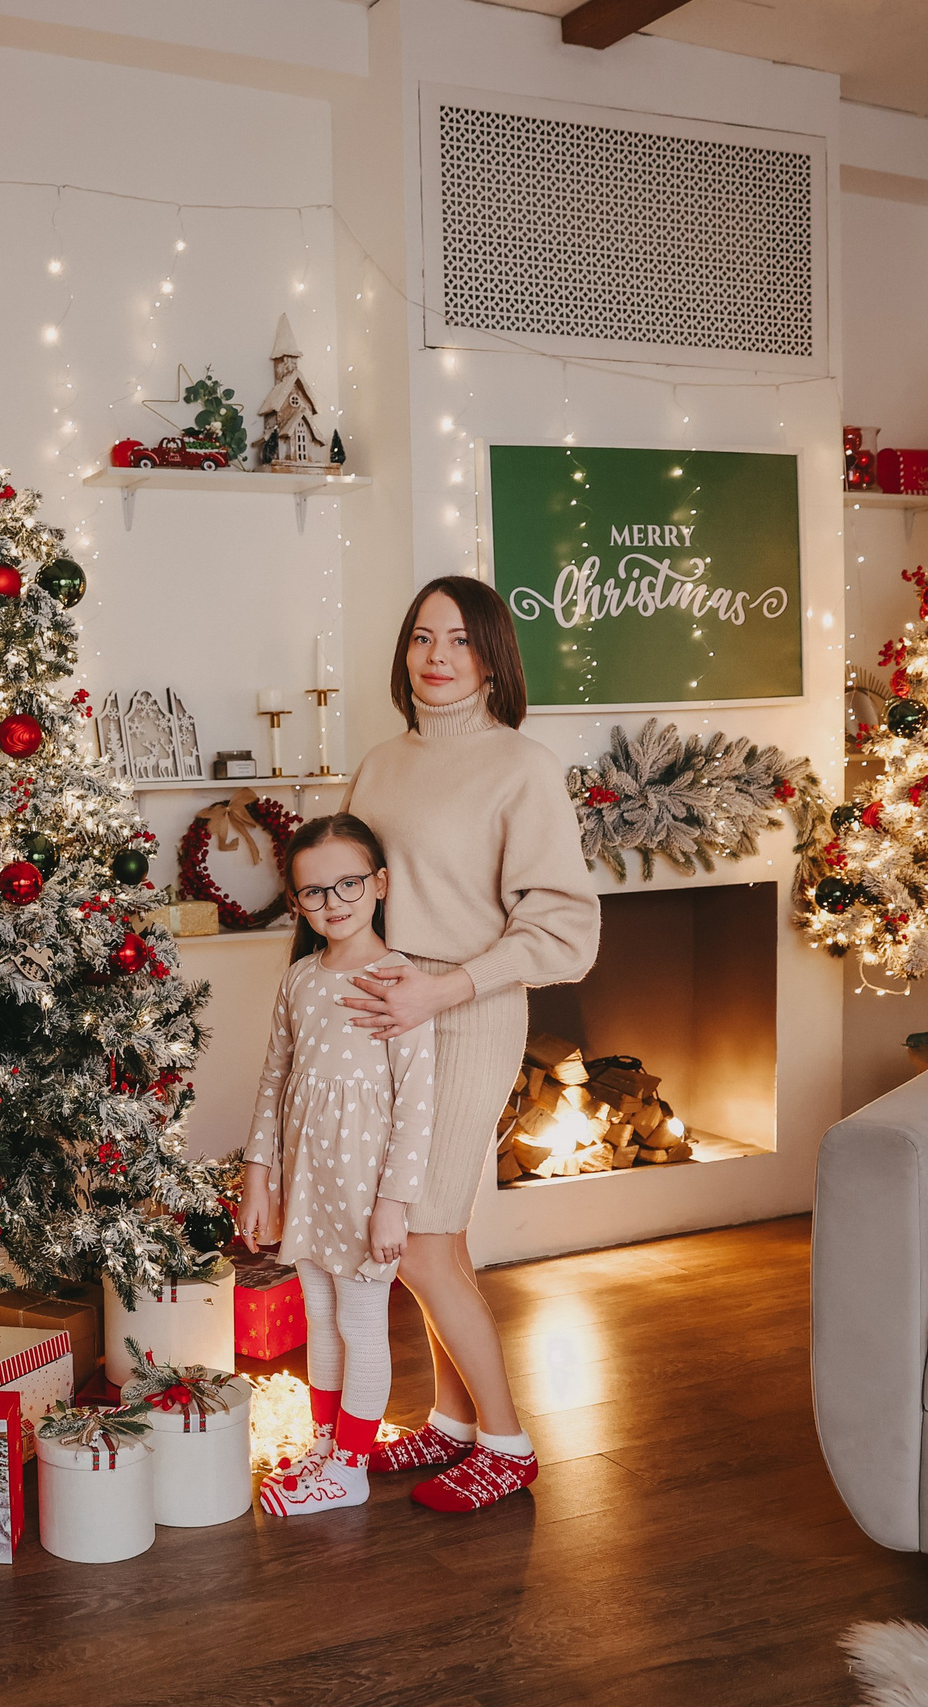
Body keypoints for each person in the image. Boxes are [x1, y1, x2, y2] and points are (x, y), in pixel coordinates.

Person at [335, 575, 599, 1514]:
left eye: (458, 639)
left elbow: (565, 932)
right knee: (430, 1240)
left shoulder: (521, 766)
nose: (436, 657)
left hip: (465, 1009)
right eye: (420, 638)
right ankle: (449, 1426)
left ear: (492, 657)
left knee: (420, 1238)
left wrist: (441, 987)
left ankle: (507, 1440)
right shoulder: (378, 763)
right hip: (382, 1011)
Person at [239, 813, 435, 1517]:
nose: (334, 901)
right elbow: (274, 1080)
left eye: (348, 882)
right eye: (313, 891)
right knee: (319, 1314)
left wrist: (394, 1201)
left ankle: (351, 1463)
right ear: (296, 901)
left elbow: (416, 1104)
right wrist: (259, 1176)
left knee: (359, 1320)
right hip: (309, 1181)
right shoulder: (299, 980)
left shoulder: (400, 980)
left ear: (379, 883)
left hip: (364, 1190)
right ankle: (327, 1442)